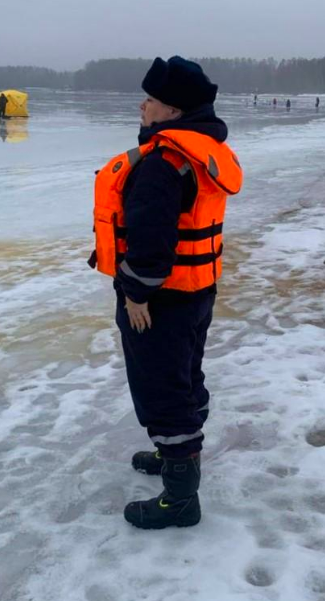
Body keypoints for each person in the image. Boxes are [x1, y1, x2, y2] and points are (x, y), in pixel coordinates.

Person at [89, 56, 242, 529]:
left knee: (162, 388)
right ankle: (174, 456)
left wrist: (135, 293)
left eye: (151, 99)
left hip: (160, 299)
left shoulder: (164, 163)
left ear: (173, 111)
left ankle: (179, 499)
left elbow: (152, 243)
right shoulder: (203, 152)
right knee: (183, 377)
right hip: (196, 291)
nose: (143, 105)